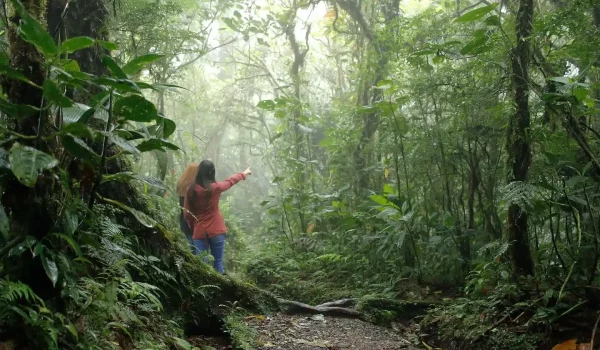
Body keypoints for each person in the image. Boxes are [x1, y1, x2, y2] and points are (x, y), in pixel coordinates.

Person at [184, 160, 251, 274]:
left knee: (202, 266)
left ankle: (204, 290)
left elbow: (187, 213)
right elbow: (230, 181)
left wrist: (192, 226)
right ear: (212, 173)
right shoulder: (216, 188)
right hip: (216, 230)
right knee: (218, 263)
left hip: (199, 231)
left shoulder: (190, 190)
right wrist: (244, 174)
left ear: (198, 172)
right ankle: (219, 290)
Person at [176, 163, 199, 251]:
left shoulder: (182, 185)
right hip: (195, 222)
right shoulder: (194, 189)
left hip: (185, 222)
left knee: (192, 247)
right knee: (199, 251)